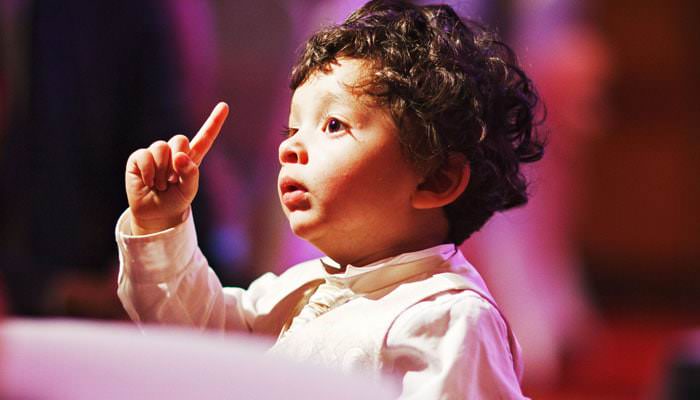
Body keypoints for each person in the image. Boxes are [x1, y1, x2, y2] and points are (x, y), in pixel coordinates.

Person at [115, 1, 544, 398]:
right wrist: (161, 223)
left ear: (435, 180)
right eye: (291, 130)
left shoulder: (449, 319)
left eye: (333, 125)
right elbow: (200, 341)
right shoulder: (299, 290)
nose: (289, 149)